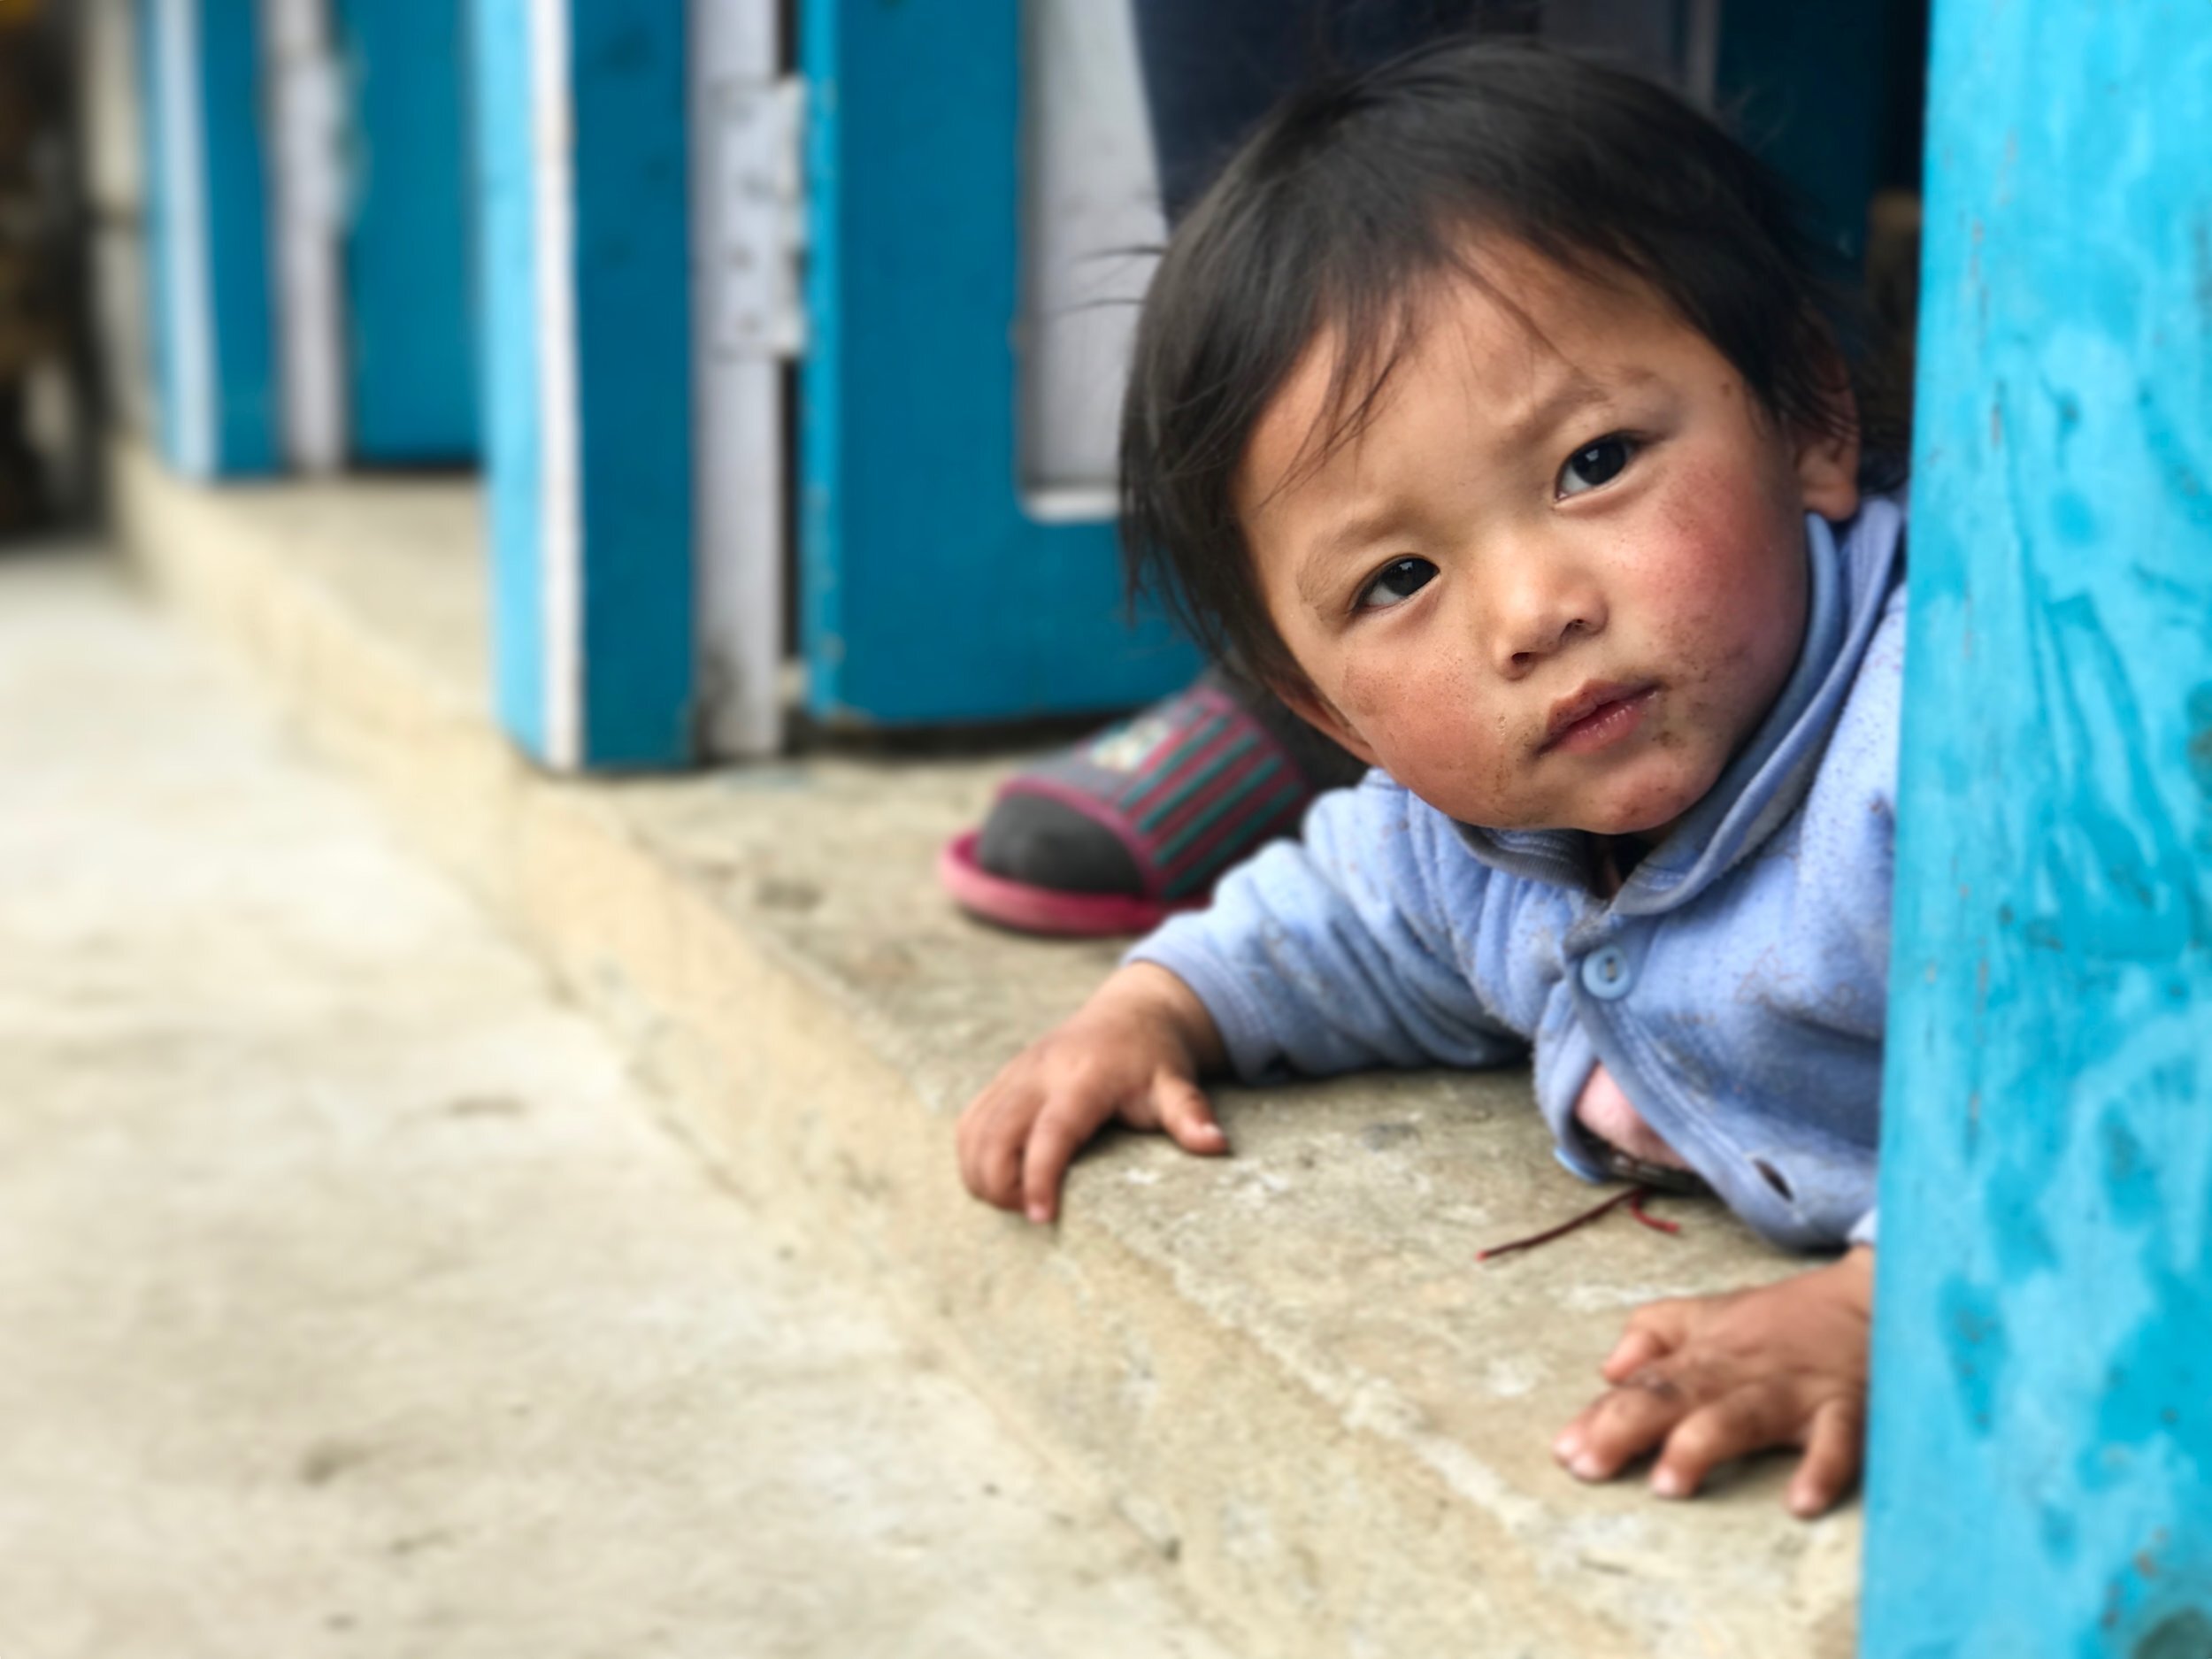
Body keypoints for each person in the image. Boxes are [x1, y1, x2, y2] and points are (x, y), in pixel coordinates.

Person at [956, 37, 1909, 1519]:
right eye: (1400, 576)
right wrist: (1155, 1005)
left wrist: (1901, 1307)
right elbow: (1340, 920)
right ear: (1319, 701)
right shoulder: (1473, 831)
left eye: (1593, 464)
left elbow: (2134, 1080)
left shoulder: (1938, 763)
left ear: (1810, 424)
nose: (1533, 612)